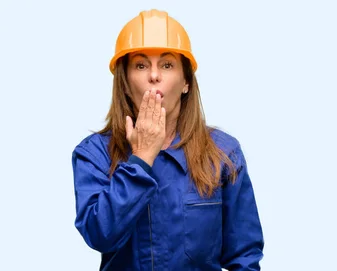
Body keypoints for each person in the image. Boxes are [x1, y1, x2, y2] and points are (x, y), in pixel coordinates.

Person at [71, 9, 264, 270]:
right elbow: (100, 236)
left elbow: (244, 256)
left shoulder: (223, 154)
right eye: (140, 65)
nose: (154, 75)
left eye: (167, 64)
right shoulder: (94, 154)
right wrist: (141, 158)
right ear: (125, 82)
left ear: (186, 81)